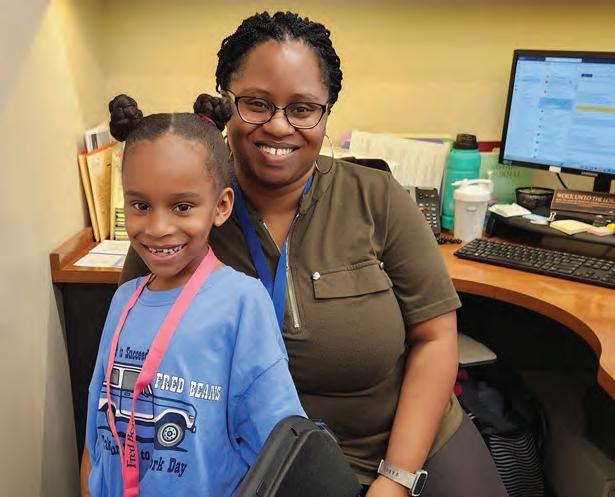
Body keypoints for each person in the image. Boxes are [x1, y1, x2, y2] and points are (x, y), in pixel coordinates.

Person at [121, 11, 508, 497]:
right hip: (252, 463)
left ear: (326, 113)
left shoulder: (377, 198)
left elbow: (435, 338)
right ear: (225, 101)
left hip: (400, 445)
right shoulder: (178, 217)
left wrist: (396, 478)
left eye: (303, 109)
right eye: (257, 104)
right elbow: (130, 360)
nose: (278, 126)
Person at [80, 94, 305, 497]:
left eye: (182, 206)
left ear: (221, 206)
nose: (158, 227)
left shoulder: (242, 303)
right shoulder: (124, 300)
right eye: (140, 205)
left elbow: (280, 447)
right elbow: (97, 436)